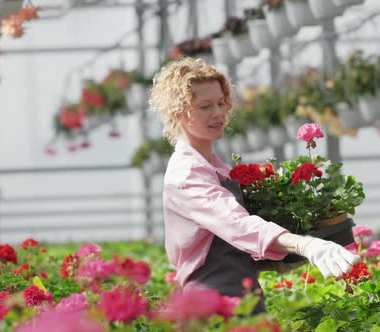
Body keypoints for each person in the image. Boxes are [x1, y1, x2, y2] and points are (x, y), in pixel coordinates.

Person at [149, 57, 360, 313]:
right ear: (178, 113)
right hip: (212, 302)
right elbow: (237, 225)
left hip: (243, 293)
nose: (218, 113)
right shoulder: (187, 173)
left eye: (220, 102)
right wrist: (304, 244)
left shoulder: (214, 166)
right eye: (205, 106)